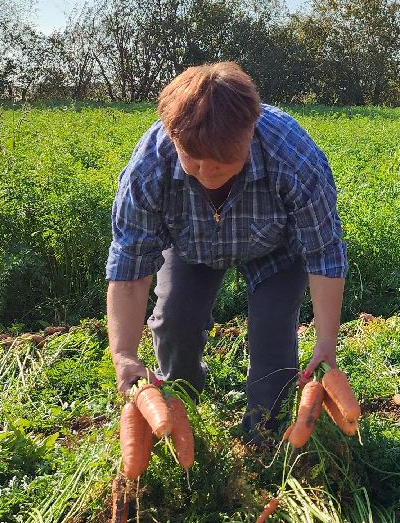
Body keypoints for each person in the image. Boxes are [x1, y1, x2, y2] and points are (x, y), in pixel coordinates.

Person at [105, 61, 347, 440]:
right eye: (194, 159)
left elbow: (324, 254)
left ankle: (264, 437)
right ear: (172, 135)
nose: (207, 171)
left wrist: (326, 344)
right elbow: (130, 269)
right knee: (175, 322)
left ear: (250, 132)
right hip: (191, 247)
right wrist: (123, 355)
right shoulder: (148, 168)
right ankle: (181, 415)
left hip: (276, 250)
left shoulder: (294, 158)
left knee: (272, 339)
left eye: (222, 161)